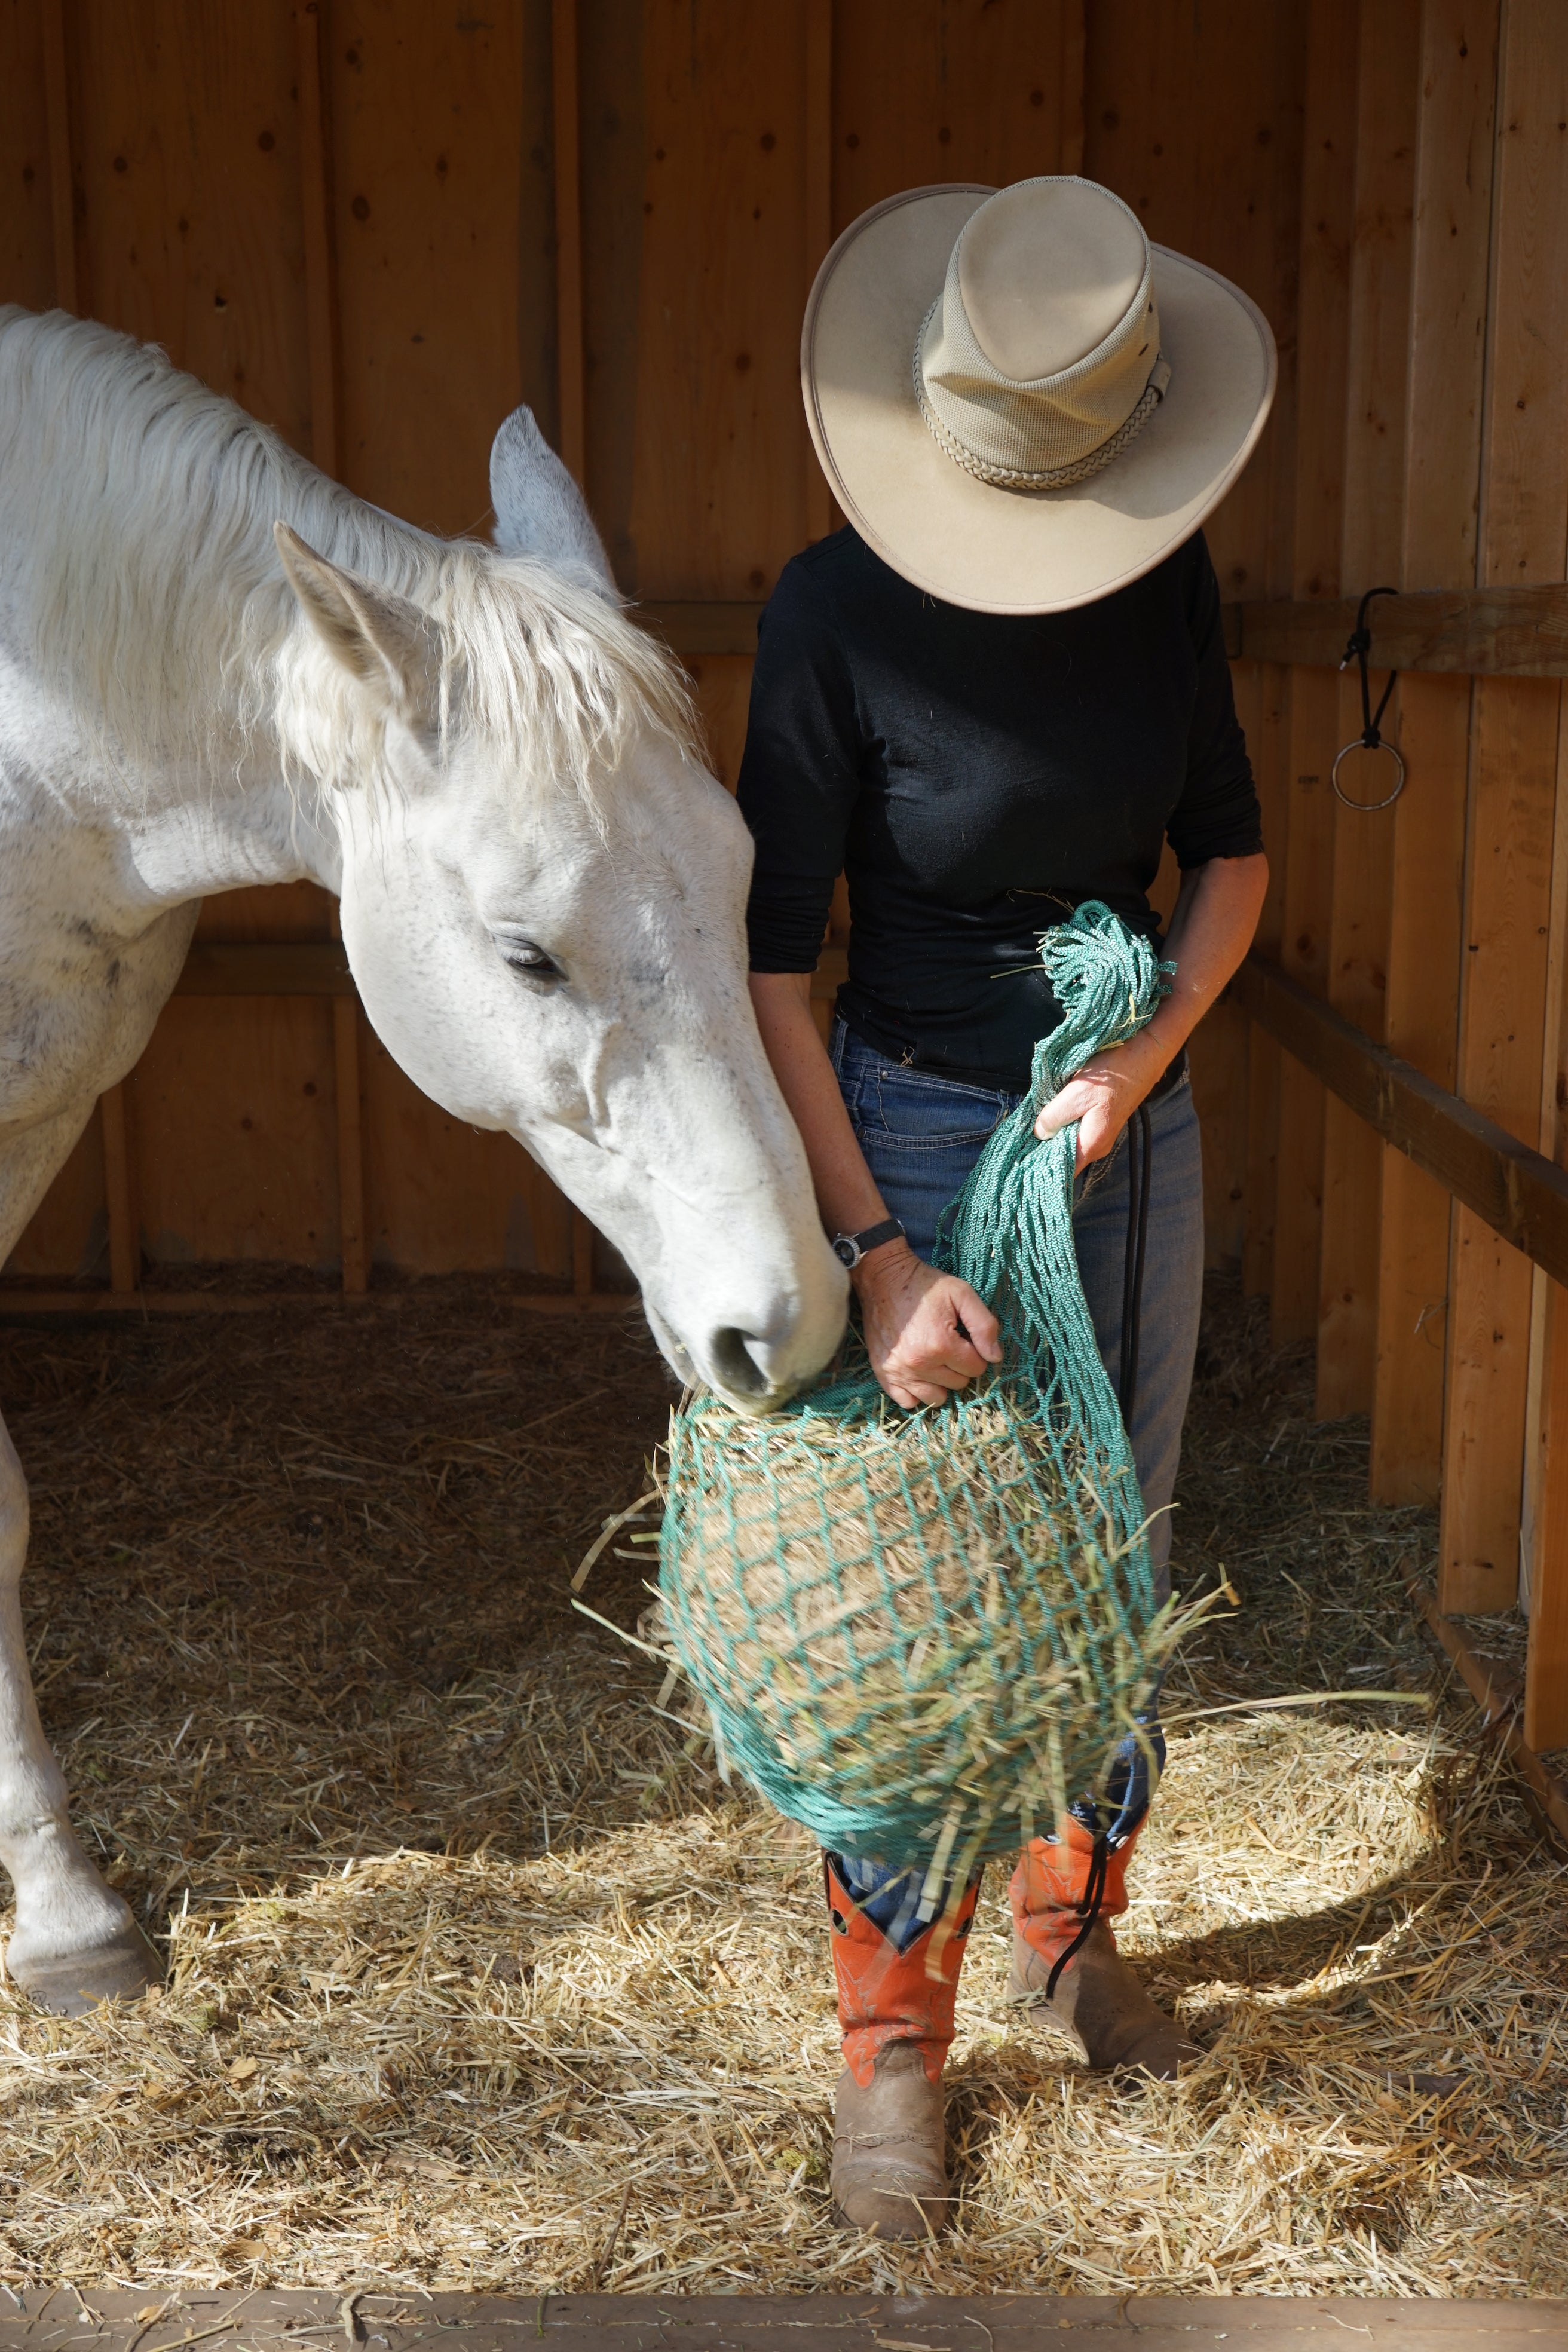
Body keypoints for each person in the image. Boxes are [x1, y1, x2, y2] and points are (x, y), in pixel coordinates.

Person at [735, 176, 1274, 2241]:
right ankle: (892, 2051)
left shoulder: (1168, 579)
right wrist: (876, 1249)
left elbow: (1223, 851)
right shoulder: (829, 614)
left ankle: (1070, 1932)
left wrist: (1145, 1062)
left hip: (1123, 1127)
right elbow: (778, 961)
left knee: (1109, 1563)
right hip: (914, 1133)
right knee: (915, 1619)